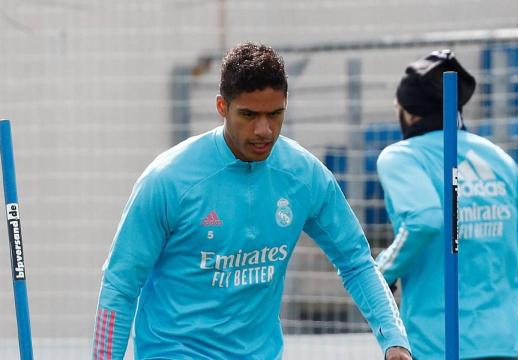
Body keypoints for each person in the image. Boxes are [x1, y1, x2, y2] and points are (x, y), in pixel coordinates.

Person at [91, 42, 412, 360]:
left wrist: (394, 340)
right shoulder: (168, 180)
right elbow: (120, 285)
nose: (264, 129)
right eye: (249, 114)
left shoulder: (304, 176)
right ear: (222, 107)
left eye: (275, 114)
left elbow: (356, 262)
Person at [375, 50, 518, 360]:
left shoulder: (402, 156)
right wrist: (479, 251)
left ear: (410, 113)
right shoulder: (497, 158)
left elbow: (424, 220)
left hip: (436, 341)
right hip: (502, 341)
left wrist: (381, 272)